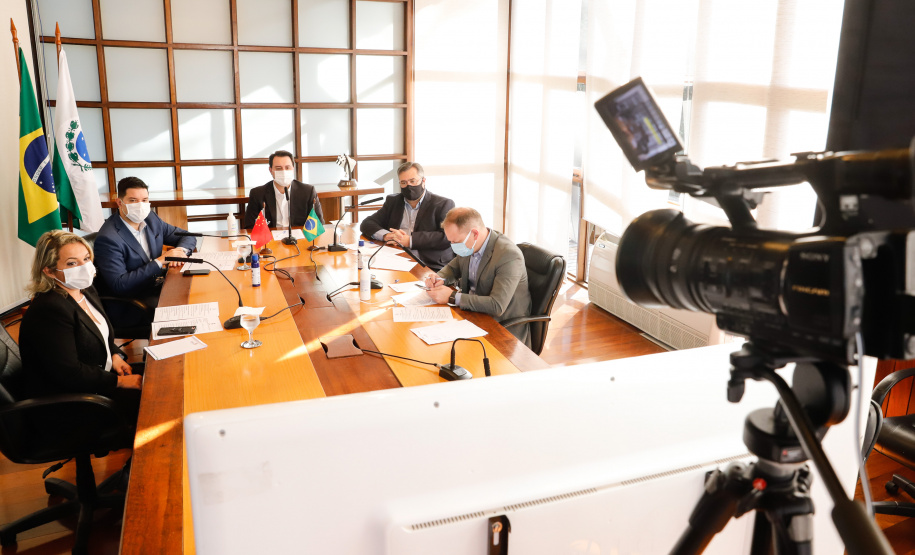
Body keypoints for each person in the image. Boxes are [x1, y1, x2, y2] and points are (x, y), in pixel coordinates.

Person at [17, 230, 143, 425]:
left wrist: (115, 355)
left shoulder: (84, 289)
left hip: (98, 378)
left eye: (86, 259)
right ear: (49, 271)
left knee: (160, 375)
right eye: (72, 263)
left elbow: (101, 335)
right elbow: (70, 373)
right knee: (155, 402)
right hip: (72, 403)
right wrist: (119, 382)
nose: (85, 267)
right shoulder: (49, 310)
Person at [424, 207, 532, 346]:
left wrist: (452, 296)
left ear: (474, 233)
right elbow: (453, 267)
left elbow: (496, 306)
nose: (453, 246)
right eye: (450, 241)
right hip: (472, 315)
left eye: (456, 242)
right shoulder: (471, 245)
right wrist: (439, 278)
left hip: (501, 328)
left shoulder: (508, 255)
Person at [94, 177, 196, 317]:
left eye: (144, 200)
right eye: (133, 200)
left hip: (157, 286)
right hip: (131, 304)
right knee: (188, 309)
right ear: (119, 202)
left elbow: (187, 236)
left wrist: (180, 251)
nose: (140, 205)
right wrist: (160, 261)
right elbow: (119, 284)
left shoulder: (151, 219)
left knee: (198, 294)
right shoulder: (108, 238)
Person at [360, 162, 455, 271]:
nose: (408, 186)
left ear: (423, 181)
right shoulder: (393, 201)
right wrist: (386, 235)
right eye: (403, 182)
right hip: (397, 257)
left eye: (413, 181)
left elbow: (446, 237)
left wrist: (410, 240)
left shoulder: (443, 204)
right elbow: (367, 223)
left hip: (430, 263)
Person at [243, 150, 324, 229]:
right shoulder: (257, 194)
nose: (283, 171)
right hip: (271, 239)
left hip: (300, 238)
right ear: (270, 170)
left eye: (287, 167)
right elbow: (249, 226)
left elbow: (318, 224)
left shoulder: (308, 191)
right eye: (278, 168)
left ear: (293, 168)